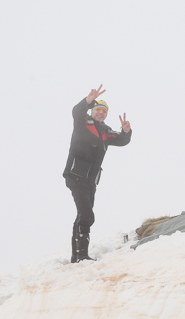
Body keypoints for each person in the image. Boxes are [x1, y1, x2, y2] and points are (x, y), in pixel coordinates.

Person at [63, 84, 132, 263]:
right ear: (92, 111)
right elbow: (76, 112)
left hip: (91, 180)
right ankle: (82, 256)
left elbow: (122, 140)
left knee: (83, 215)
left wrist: (126, 131)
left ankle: (77, 256)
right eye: (98, 109)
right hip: (76, 174)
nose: (100, 113)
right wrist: (87, 100)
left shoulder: (105, 132)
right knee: (86, 215)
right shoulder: (83, 122)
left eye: (104, 111)